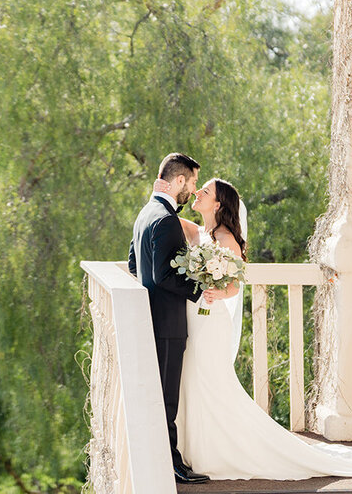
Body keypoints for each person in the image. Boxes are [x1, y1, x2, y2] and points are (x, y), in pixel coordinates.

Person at [175, 178, 352, 480]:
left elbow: (234, 288)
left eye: (205, 191)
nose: (198, 193)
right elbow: (166, 213)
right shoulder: (199, 232)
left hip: (211, 322)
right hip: (195, 321)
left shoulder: (227, 241)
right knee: (193, 382)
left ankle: (217, 451)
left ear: (218, 205)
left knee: (210, 382)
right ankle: (195, 448)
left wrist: (217, 292)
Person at [128, 152, 209, 485]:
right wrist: (200, 287)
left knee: (161, 397)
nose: (191, 189)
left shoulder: (145, 214)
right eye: (190, 182)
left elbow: (135, 266)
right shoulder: (165, 219)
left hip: (153, 322)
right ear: (178, 181)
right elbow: (163, 277)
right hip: (167, 325)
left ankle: (165, 460)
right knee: (167, 399)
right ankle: (172, 466)